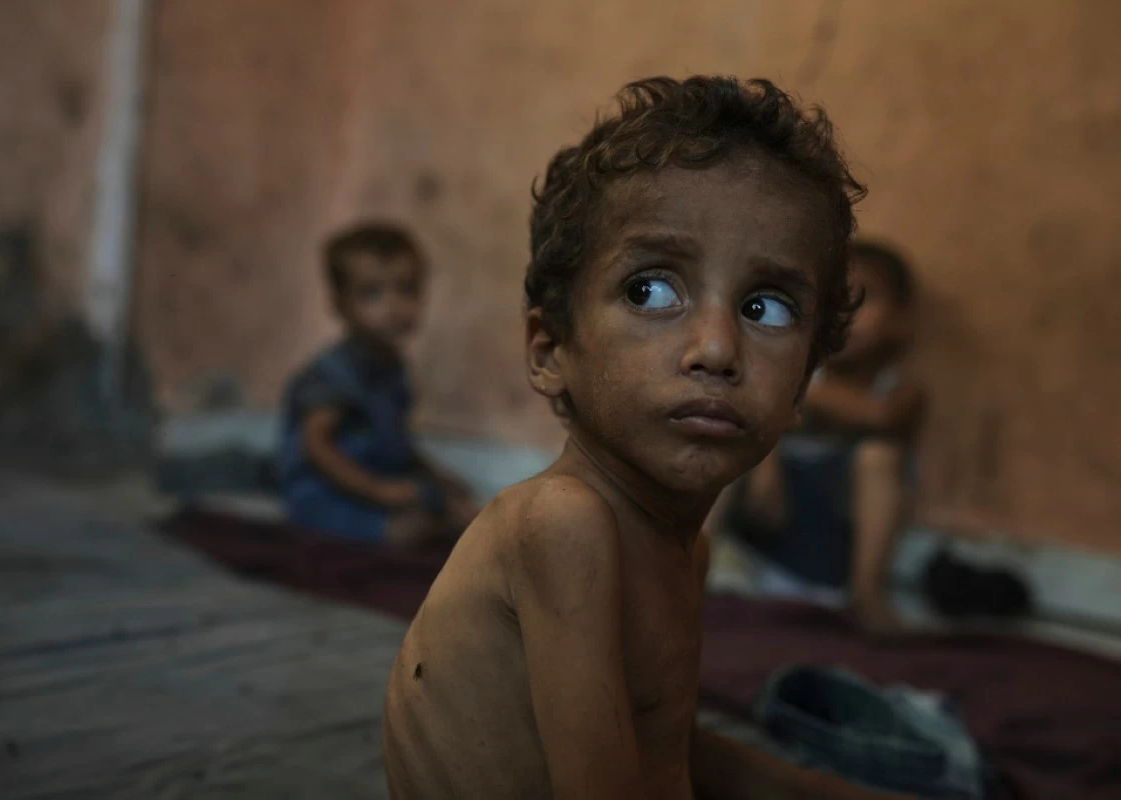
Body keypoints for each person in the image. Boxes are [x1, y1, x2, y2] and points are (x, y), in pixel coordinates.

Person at [382, 76, 906, 799]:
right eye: (651, 291)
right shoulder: (561, 524)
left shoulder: (684, 548)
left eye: (767, 307)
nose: (717, 348)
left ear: (801, 390)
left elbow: (661, 753)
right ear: (548, 351)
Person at [724, 241, 924, 634]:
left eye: (861, 300)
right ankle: (697, 560)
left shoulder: (900, 391)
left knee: (878, 456)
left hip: (831, 557)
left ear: (899, 320)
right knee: (734, 429)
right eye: (832, 301)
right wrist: (767, 461)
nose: (843, 315)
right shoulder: (797, 373)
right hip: (763, 539)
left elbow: (880, 416)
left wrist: (793, 395)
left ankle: (869, 595)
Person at [277, 222, 476, 547]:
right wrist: (379, 490)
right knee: (406, 531)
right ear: (340, 305)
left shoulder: (393, 369)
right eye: (372, 293)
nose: (393, 305)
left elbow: (395, 440)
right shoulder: (331, 374)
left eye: (407, 288)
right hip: (327, 491)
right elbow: (316, 446)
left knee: (456, 507)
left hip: (378, 479)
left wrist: (436, 474)